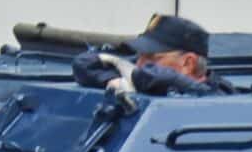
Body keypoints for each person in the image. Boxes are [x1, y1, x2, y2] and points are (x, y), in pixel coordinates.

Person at [72, 14, 239, 96]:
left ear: (188, 63)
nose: (140, 63)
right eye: (140, 55)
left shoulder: (220, 94)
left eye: (152, 58)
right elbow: (84, 63)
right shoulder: (147, 78)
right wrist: (113, 80)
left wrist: (134, 76)